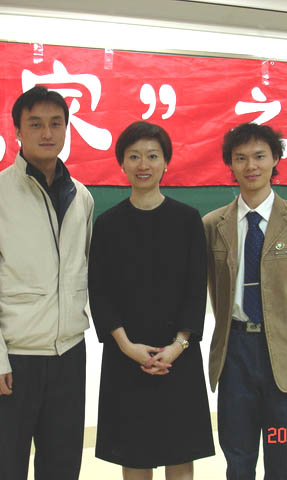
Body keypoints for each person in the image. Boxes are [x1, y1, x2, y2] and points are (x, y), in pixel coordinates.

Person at [0, 85, 94, 480]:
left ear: (67, 128)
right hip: (16, 359)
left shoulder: (82, 197)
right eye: (35, 124)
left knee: (63, 464)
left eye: (56, 123)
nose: (47, 133)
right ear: (17, 131)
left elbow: (85, 269)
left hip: (69, 353)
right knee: (7, 465)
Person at [88, 121, 215, 480]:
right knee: (134, 453)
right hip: (125, 355)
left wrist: (178, 345)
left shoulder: (188, 220)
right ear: (122, 164)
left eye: (152, 156)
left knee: (181, 452)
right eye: (134, 157)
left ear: (165, 163)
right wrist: (127, 346)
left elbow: (196, 289)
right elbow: (99, 291)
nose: (143, 164)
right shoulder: (107, 224)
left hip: (179, 356)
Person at [203, 122, 287, 479]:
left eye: (259, 156)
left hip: (280, 354)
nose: (250, 166)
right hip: (235, 352)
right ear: (230, 164)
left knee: (280, 453)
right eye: (240, 158)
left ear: (275, 159)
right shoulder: (213, 224)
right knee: (238, 455)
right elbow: (214, 289)